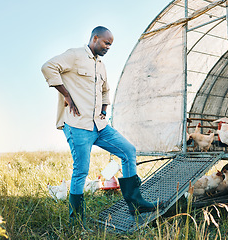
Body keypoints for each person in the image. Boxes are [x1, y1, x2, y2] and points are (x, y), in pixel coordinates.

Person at [41, 26, 159, 230]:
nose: (108, 47)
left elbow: (105, 89)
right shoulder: (75, 55)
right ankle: (76, 222)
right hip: (78, 125)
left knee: (128, 151)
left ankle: (136, 204)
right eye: (106, 43)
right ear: (95, 38)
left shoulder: (101, 65)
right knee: (81, 171)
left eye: (110, 45)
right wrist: (66, 95)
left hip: (100, 125)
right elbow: (48, 67)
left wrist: (104, 107)